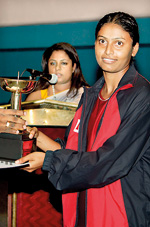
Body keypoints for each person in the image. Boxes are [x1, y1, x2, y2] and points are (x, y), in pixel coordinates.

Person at [16, 12, 150, 227]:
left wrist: (49, 161)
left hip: (119, 215)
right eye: (102, 41)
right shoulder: (90, 96)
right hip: (81, 210)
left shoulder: (141, 96)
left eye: (119, 43)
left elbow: (109, 161)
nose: (108, 51)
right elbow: (74, 149)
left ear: (134, 49)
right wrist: (35, 136)